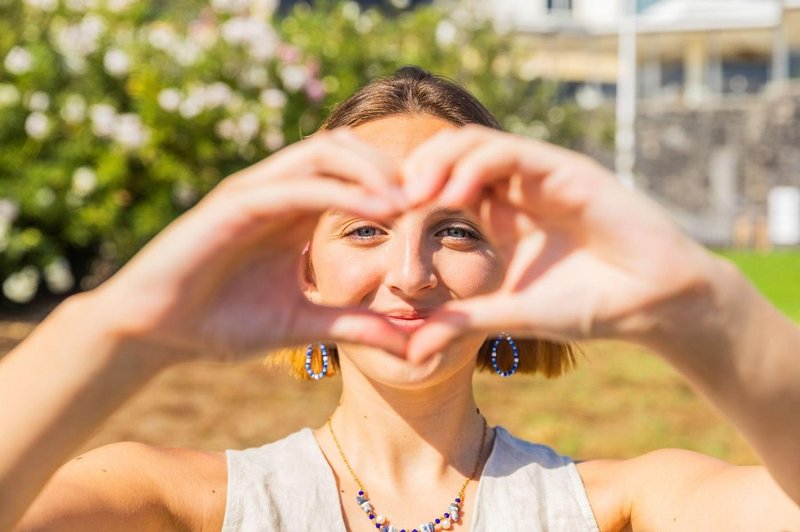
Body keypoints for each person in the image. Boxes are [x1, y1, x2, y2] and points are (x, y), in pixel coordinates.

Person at [2, 66, 799, 531]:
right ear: (302, 265)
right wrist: (125, 327)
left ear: (512, 269)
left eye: (456, 231)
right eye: (363, 232)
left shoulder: (624, 505)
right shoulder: (178, 504)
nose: (411, 273)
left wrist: (700, 304)